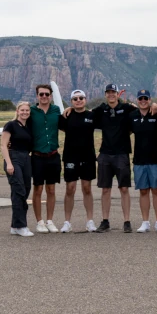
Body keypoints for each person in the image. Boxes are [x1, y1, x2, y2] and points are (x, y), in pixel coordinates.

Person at [90, 83, 138, 231]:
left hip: (121, 153)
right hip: (105, 153)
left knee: (124, 188)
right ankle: (105, 221)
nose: (111, 95)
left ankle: (127, 221)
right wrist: (69, 109)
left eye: (113, 92)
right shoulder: (101, 110)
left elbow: (140, 111)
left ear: (118, 94)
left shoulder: (127, 109)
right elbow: (85, 113)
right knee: (105, 189)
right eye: (108, 92)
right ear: (105, 94)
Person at [57, 89, 98, 232]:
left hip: (88, 157)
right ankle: (67, 222)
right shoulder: (66, 116)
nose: (78, 100)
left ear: (85, 99)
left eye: (81, 98)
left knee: (87, 188)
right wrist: (68, 110)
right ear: (71, 101)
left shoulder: (92, 116)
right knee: (70, 189)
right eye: (75, 99)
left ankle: (90, 221)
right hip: (70, 156)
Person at [131, 90, 157, 233]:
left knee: (156, 190)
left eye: (146, 98)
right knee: (143, 191)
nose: (143, 100)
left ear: (150, 99)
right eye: (141, 98)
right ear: (137, 100)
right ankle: (145, 222)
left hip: (156, 159)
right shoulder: (132, 116)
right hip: (139, 160)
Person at [29, 84, 62, 233]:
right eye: (41, 94)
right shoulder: (31, 111)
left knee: (51, 189)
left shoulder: (56, 111)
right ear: (37, 96)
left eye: (47, 94)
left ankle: (50, 220)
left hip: (53, 155)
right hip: (37, 156)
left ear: (51, 96)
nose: (44, 97)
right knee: (38, 189)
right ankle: (39, 221)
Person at [0, 102, 34, 236]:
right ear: (17, 111)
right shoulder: (11, 125)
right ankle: (21, 226)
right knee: (18, 190)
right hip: (13, 158)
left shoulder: (28, 127)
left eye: (27, 110)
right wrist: (9, 163)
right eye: (22, 110)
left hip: (26, 158)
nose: (25, 112)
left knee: (25, 190)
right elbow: (3, 145)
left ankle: (15, 225)